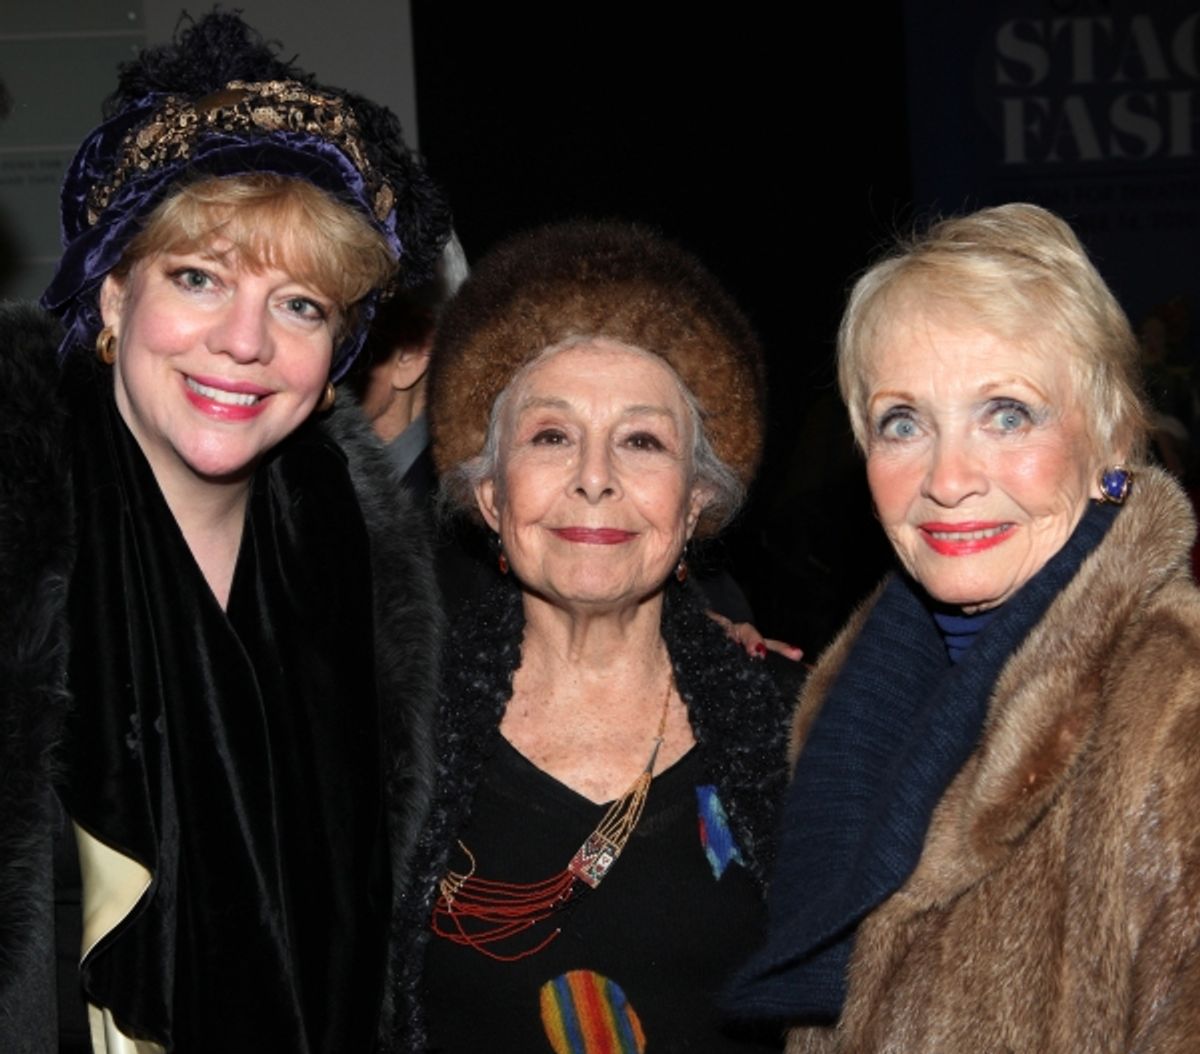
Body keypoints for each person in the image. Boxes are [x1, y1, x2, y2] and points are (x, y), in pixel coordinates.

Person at [1, 13, 449, 1052]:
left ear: (339, 350)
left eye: (298, 305)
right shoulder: (15, 529)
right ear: (113, 290)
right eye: (198, 278)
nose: (242, 343)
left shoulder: (359, 561)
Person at [729, 203, 1200, 1051]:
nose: (945, 478)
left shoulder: (1176, 703)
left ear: (1112, 441)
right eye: (902, 422)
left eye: (1007, 413)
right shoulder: (844, 705)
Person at [396, 220, 791, 1052]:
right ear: (493, 499)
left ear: (693, 507)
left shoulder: (804, 734)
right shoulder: (387, 742)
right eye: (551, 436)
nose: (595, 476)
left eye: (641, 441)